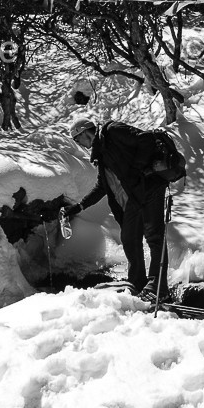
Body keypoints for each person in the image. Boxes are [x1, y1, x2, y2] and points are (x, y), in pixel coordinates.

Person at [63, 116, 170, 297]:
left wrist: (136, 169)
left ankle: (158, 286)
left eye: (77, 139)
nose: (79, 144)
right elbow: (102, 187)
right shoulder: (101, 155)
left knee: (154, 236)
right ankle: (137, 282)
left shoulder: (112, 131)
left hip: (150, 187)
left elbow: (146, 139)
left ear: (84, 132)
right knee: (129, 238)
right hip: (134, 197)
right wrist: (79, 206)